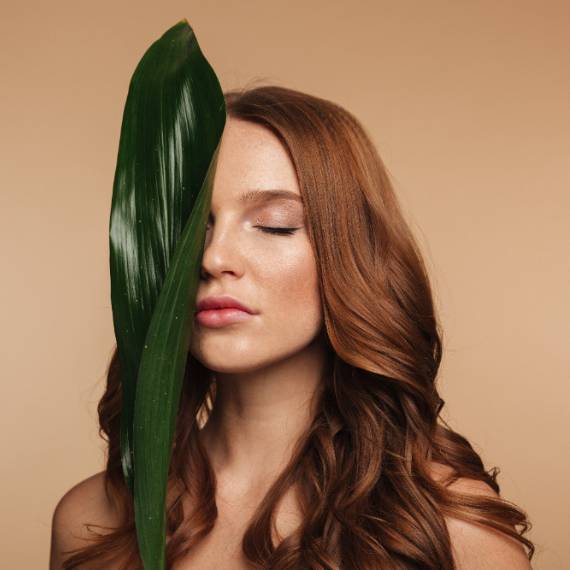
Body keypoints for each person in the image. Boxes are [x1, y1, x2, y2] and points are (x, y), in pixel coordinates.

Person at [50, 85, 534, 569]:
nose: (215, 258)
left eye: (275, 225)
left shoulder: (451, 532)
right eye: (193, 227)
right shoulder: (92, 521)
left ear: (350, 256)